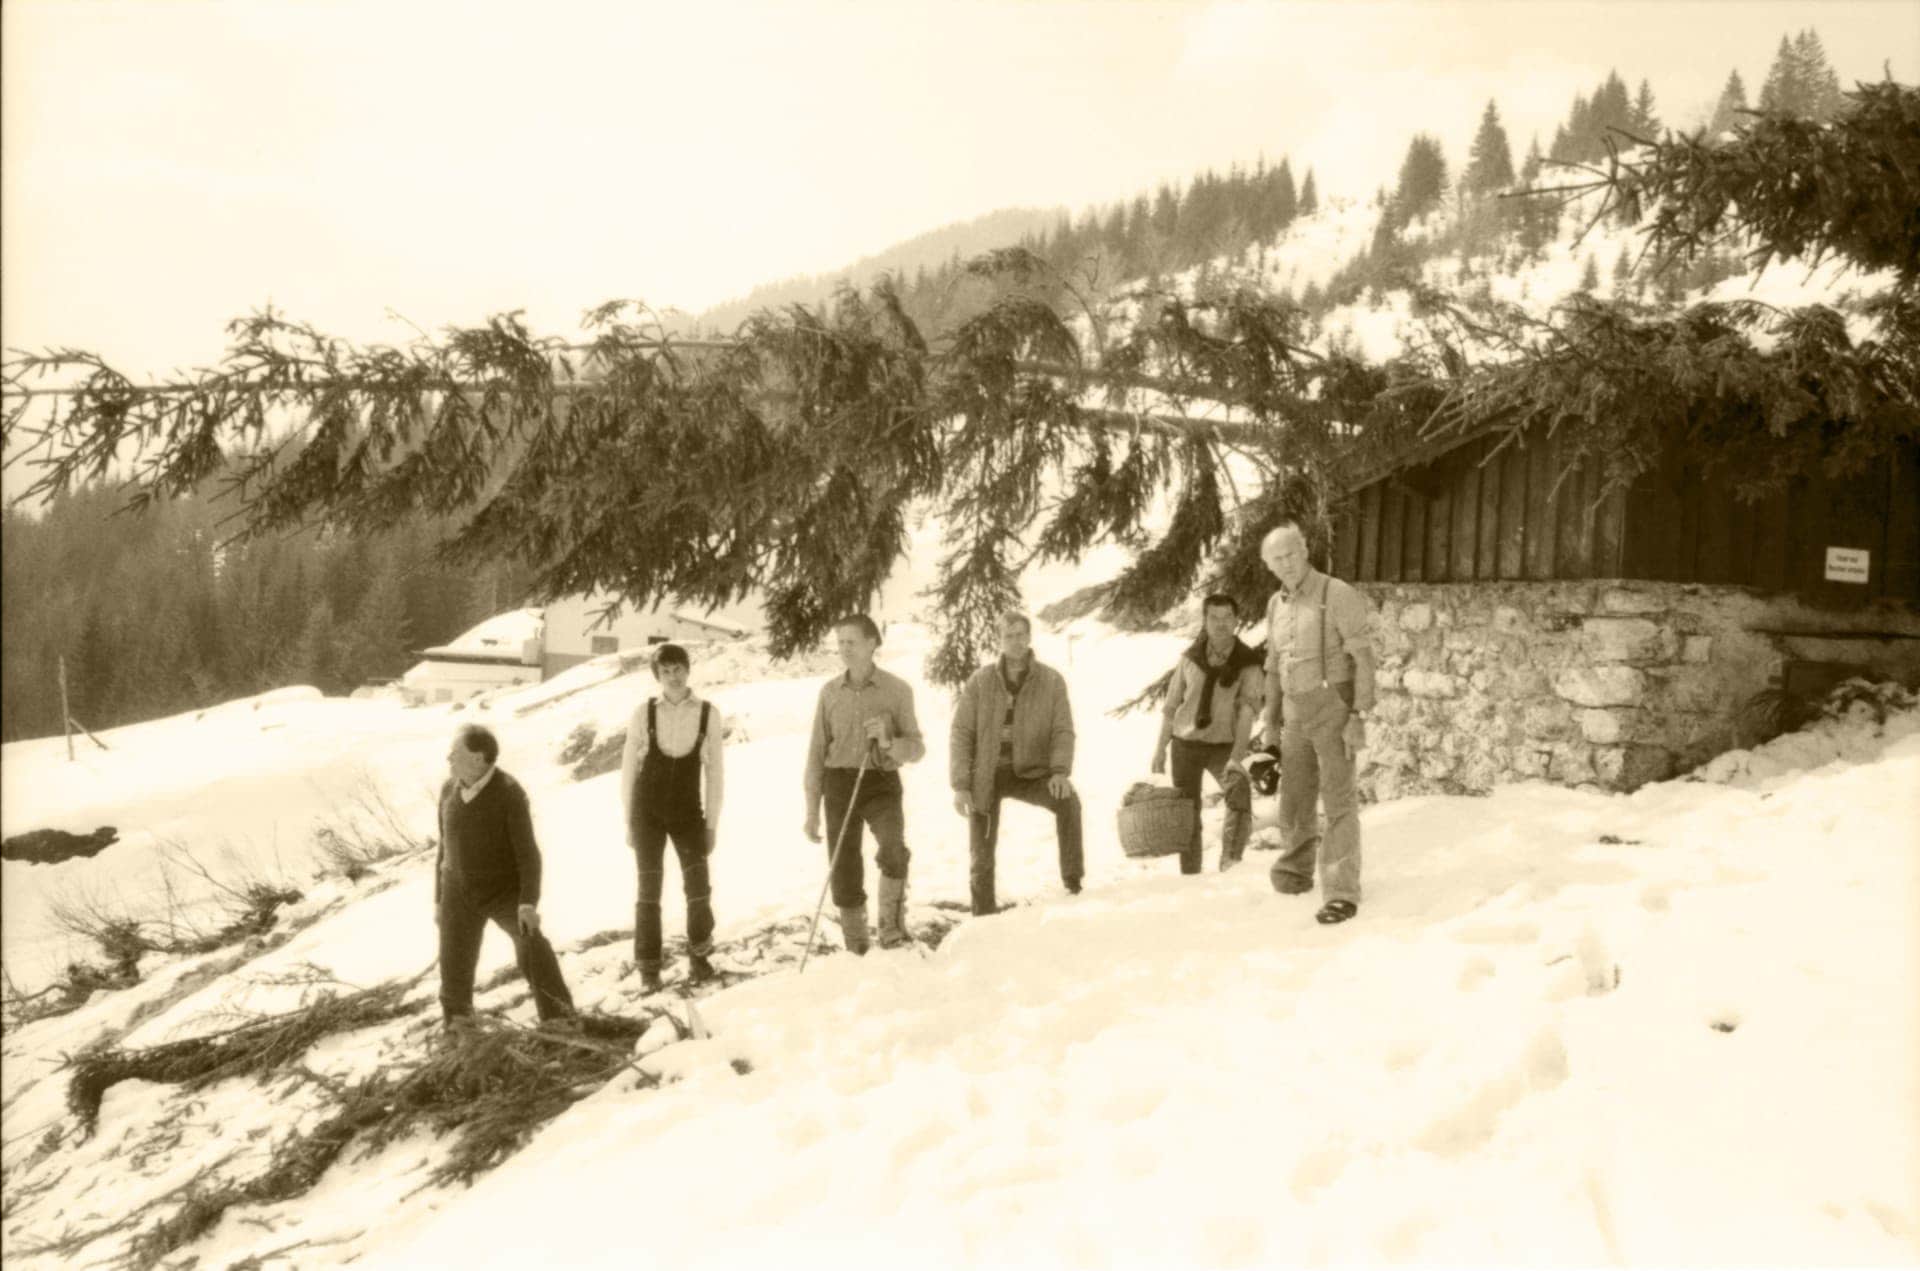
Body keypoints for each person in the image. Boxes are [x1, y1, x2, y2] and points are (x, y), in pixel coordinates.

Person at [1259, 520, 1377, 924]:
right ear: (1270, 566)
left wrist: (1359, 715)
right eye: (1277, 558)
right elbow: (1273, 667)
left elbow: (1363, 657)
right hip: (1294, 712)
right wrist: (1270, 720)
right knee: (1295, 797)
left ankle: (1342, 891)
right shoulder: (1276, 604)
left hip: (1333, 705)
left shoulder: (1336, 593)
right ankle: (1295, 871)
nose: (1286, 563)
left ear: (1305, 551)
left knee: (1338, 798)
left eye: (1291, 553)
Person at [435, 723, 576, 1028]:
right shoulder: (449, 789)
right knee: (453, 959)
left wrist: (527, 903)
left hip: (502, 891)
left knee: (531, 942)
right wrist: (438, 899)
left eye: (455, 753)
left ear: (478, 758)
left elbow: (528, 853)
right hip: (457, 889)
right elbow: (442, 849)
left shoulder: (509, 793)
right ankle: (458, 1020)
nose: (449, 758)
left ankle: (559, 1018)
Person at [803, 614, 926, 952]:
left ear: (873, 643)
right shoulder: (829, 692)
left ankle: (892, 931)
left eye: (852, 642)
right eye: (840, 642)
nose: (845, 649)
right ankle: (856, 946)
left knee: (893, 847)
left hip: (882, 781)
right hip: (839, 783)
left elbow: (916, 748)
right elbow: (815, 754)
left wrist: (888, 743)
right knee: (843, 862)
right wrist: (812, 810)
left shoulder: (898, 690)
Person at [950, 611, 1082, 915]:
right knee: (981, 846)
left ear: (1030, 637)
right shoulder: (980, 681)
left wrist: (1060, 771)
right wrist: (960, 784)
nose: (1016, 641)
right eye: (1009, 635)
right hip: (987, 773)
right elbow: (961, 733)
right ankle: (982, 911)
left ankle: (1073, 886)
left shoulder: (1050, 680)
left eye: (1022, 634)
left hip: (1031, 771)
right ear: (999, 640)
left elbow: (1063, 729)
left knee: (1068, 802)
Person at [619, 643, 724, 993]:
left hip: (688, 813)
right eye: (666, 671)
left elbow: (716, 774)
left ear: (688, 670)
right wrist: (629, 821)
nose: (674, 676)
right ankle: (649, 969)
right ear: (658, 677)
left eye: (678, 668)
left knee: (698, 886)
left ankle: (700, 956)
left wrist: (711, 825)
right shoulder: (642, 713)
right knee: (648, 890)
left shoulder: (708, 713)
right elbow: (628, 770)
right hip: (647, 813)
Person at [1153, 593, 1265, 873]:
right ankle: (1190, 875)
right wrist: (1159, 749)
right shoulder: (1190, 658)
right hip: (1184, 746)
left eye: (1227, 617)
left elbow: (1247, 714)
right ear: (1204, 621)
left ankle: (1231, 862)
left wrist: (1237, 758)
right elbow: (1171, 706)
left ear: (1236, 621)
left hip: (1223, 746)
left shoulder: (1248, 663)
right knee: (1187, 814)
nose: (1221, 624)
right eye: (1214, 617)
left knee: (1238, 794)